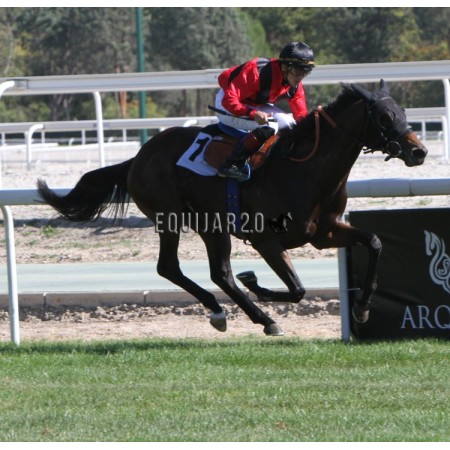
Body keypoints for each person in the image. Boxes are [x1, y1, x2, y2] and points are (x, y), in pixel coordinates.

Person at [215, 41, 315, 181]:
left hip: (253, 103)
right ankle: (231, 164)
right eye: (298, 72)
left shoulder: (295, 85)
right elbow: (229, 101)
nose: (300, 77)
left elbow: (301, 117)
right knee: (271, 125)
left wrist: (314, 122)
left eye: (305, 72)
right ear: (284, 67)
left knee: (290, 123)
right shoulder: (256, 71)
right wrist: (252, 113)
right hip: (225, 104)